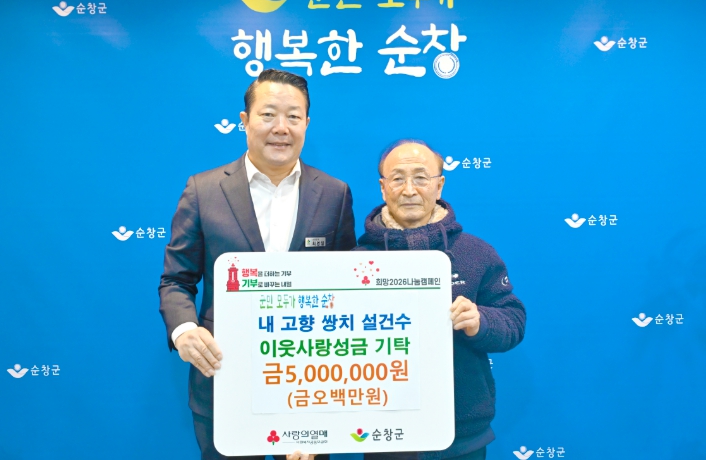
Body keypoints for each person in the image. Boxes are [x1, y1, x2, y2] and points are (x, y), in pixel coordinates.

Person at [159, 69, 356, 460]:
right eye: (268, 115)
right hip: (225, 376)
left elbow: (347, 289)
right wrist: (184, 330)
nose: (281, 128)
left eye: (293, 117)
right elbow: (176, 279)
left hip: (309, 384)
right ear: (245, 120)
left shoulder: (334, 194)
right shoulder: (203, 190)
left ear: (306, 123)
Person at [354, 139, 526, 460]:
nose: (409, 190)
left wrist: (481, 321)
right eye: (397, 178)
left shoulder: (476, 253)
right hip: (383, 433)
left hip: (462, 437)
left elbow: (514, 321)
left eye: (421, 178)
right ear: (383, 188)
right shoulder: (354, 262)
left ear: (439, 185)